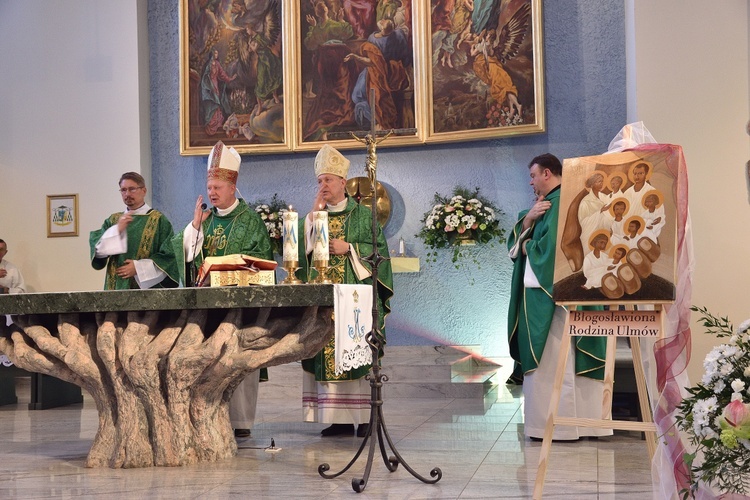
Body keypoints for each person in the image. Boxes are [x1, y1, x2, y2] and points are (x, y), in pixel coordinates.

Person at [507, 153, 610, 440]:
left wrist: (528, 247)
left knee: (554, 358)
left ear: (548, 173)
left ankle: (556, 427)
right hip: (569, 293)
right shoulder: (551, 202)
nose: (531, 182)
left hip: (552, 298)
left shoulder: (560, 202)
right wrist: (527, 221)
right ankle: (582, 425)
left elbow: (553, 249)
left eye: (533, 175)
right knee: (565, 361)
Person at [177, 141, 273, 439]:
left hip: (239, 311)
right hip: (207, 310)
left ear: (233, 187)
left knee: (236, 361)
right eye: (209, 186)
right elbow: (184, 259)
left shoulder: (250, 221)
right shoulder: (203, 222)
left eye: (217, 186)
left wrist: (223, 269)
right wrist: (193, 227)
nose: (212, 192)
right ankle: (206, 417)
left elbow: (262, 264)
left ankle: (240, 423)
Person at [297, 144, 393, 437]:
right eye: (319, 181)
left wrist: (349, 248)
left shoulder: (363, 216)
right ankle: (336, 419)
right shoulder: (316, 216)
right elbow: (303, 257)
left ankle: (365, 417)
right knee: (325, 348)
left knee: (356, 350)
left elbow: (380, 256)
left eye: (328, 180)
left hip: (355, 301)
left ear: (343, 183)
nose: (323, 185)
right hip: (325, 301)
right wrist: (313, 216)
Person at [89, 173, 179, 290]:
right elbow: (99, 251)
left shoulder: (159, 220)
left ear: (144, 191)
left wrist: (139, 268)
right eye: (123, 190)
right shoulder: (113, 220)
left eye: (132, 189)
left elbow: (169, 258)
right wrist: (117, 230)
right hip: (115, 288)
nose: (127, 194)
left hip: (147, 292)